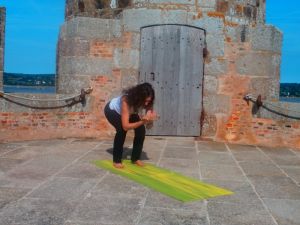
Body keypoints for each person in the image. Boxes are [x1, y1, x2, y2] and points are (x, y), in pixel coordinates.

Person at [104, 82, 158, 169]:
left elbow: (148, 126)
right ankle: (117, 160)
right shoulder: (126, 101)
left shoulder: (148, 102)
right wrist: (143, 121)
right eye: (145, 101)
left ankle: (135, 158)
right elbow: (126, 126)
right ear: (139, 97)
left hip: (130, 112)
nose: (147, 104)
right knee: (122, 130)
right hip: (112, 110)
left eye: (149, 101)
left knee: (141, 130)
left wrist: (150, 121)